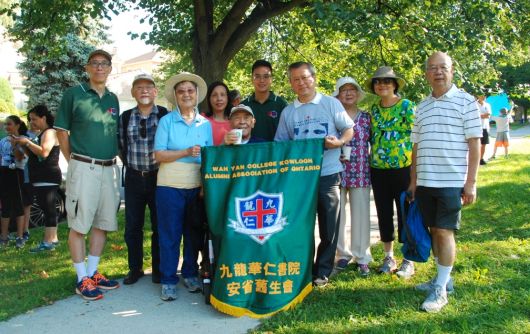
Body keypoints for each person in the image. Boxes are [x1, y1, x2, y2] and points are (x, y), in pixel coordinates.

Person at [409, 51, 481, 313]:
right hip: (426, 181)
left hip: (451, 180)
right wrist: (413, 181)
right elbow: (416, 147)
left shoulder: (466, 102)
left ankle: (440, 290)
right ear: (426, 73)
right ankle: (443, 279)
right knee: (433, 229)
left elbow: (475, 144)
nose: (438, 72)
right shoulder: (422, 106)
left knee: (443, 231)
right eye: (432, 68)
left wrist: (470, 182)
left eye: (443, 67)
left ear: (452, 70)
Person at [275, 62, 354, 287]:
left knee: (329, 225)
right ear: (291, 84)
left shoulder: (331, 103)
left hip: (329, 174)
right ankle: (303, 269)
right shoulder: (288, 112)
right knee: (301, 226)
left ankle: (323, 271)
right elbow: (281, 143)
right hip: (300, 178)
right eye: (296, 79)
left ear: (314, 78)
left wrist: (338, 142)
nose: (301, 83)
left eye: (305, 77)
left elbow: (349, 129)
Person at [55, 49, 121, 301]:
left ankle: (93, 273)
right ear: (87, 67)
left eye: (104, 64)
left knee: (103, 222)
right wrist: (73, 161)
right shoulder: (74, 94)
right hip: (83, 166)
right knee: (79, 223)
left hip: (109, 168)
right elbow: (62, 132)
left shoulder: (113, 99)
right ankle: (81, 277)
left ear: (110, 68)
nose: (100, 67)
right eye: (95, 63)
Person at [155, 72, 213, 301]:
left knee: (193, 233)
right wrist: (186, 152)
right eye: (181, 92)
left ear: (197, 94)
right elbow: (158, 154)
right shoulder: (166, 121)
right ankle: (168, 279)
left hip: (196, 185)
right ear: (176, 96)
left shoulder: (205, 124)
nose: (186, 94)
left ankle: (189, 274)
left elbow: (209, 156)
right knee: (170, 234)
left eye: (190, 91)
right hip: (170, 185)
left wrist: (205, 186)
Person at [365, 66, 416, 278]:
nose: (382, 85)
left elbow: (417, 140)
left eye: (387, 81)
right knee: (384, 213)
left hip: (403, 170)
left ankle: (408, 260)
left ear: (394, 84)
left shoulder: (406, 106)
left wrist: (415, 176)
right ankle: (389, 257)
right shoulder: (374, 110)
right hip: (378, 171)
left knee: (405, 214)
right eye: (378, 82)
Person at [118, 73, 168, 285]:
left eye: (149, 86)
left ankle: (158, 269)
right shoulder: (126, 117)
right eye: (139, 87)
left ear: (155, 92)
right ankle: (135, 268)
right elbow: (121, 145)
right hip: (134, 178)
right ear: (133, 92)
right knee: (133, 226)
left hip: (159, 177)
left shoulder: (165, 115)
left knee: (160, 225)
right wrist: (132, 166)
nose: (144, 90)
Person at [332, 77, 372, 276]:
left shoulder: (366, 117)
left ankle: (362, 257)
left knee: (361, 215)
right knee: (338, 215)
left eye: (352, 90)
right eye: (344, 90)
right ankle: (342, 255)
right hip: (336, 170)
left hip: (361, 171)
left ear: (358, 94)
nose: (348, 93)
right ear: (337, 95)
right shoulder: (333, 116)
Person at [12, 106, 61, 252]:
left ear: (44, 118)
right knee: (46, 208)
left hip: (48, 176)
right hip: (40, 177)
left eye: (34, 119)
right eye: (30, 119)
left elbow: (44, 152)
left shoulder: (50, 132)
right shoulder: (41, 134)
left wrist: (27, 142)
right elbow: (33, 155)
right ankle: (53, 239)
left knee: (48, 208)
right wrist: (22, 144)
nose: (31, 122)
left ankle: (49, 242)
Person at [241, 60, 288, 141]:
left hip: (274, 152)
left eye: (266, 76)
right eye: (257, 76)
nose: (262, 80)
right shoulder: (243, 106)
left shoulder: (281, 104)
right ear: (252, 79)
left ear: (271, 79)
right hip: (250, 153)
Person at [0, 116, 28, 249]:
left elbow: (19, 156)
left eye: (9, 124)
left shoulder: (23, 140)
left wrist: (15, 144)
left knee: (18, 205)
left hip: (17, 173)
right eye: (5, 125)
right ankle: (4, 237)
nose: (6, 127)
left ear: (17, 125)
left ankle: (19, 236)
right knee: (5, 205)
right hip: (4, 172)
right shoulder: (2, 141)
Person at [204, 81, 232, 146]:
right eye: (214, 95)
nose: (219, 99)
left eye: (222, 95)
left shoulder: (235, 121)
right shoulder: (202, 120)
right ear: (209, 99)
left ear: (228, 98)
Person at [477, 95, 491, 165]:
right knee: (477, 144)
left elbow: (488, 115)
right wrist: (483, 115)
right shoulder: (475, 104)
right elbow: (475, 116)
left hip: (485, 127)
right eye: (481, 95)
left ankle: (481, 159)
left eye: (484, 96)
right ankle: (476, 159)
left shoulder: (487, 105)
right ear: (478, 96)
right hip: (477, 127)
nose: (483, 97)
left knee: (484, 144)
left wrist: (480, 116)